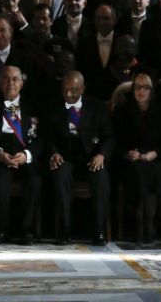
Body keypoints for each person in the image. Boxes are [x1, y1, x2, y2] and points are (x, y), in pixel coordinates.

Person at [45, 71, 114, 246]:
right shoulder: (53, 105)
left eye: (74, 90)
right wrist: (54, 153)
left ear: (82, 89)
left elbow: (110, 136)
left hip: (91, 156)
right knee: (59, 174)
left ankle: (98, 230)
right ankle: (65, 229)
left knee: (100, 177)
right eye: (65, 90)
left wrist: (101, 155)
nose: (68, 94)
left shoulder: (97, 107)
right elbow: (47, 137)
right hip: (66, 156)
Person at [0, 66, 43, 246]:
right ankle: (1, 230)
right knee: (0, 183)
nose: (11, 83)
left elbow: (43, 138)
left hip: (25, 156)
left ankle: (27, 231)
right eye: (6, 79)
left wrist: (27, 155)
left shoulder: (35, 105)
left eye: (15, 79)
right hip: (2, 157)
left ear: (22, 82)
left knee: (34, 181)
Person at [113, 71, 161, 245]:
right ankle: (142, 222)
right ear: (133, 88)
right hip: (131, 160)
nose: (141, 91)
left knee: (152, 170)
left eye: (146, 87)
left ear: (152, 90)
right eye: (138, 86)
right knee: (138, 170)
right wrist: (128, 153)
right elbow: (116, 140)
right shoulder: (123, 111)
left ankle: (147, 220)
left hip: (156, 157)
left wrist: (153, 154)